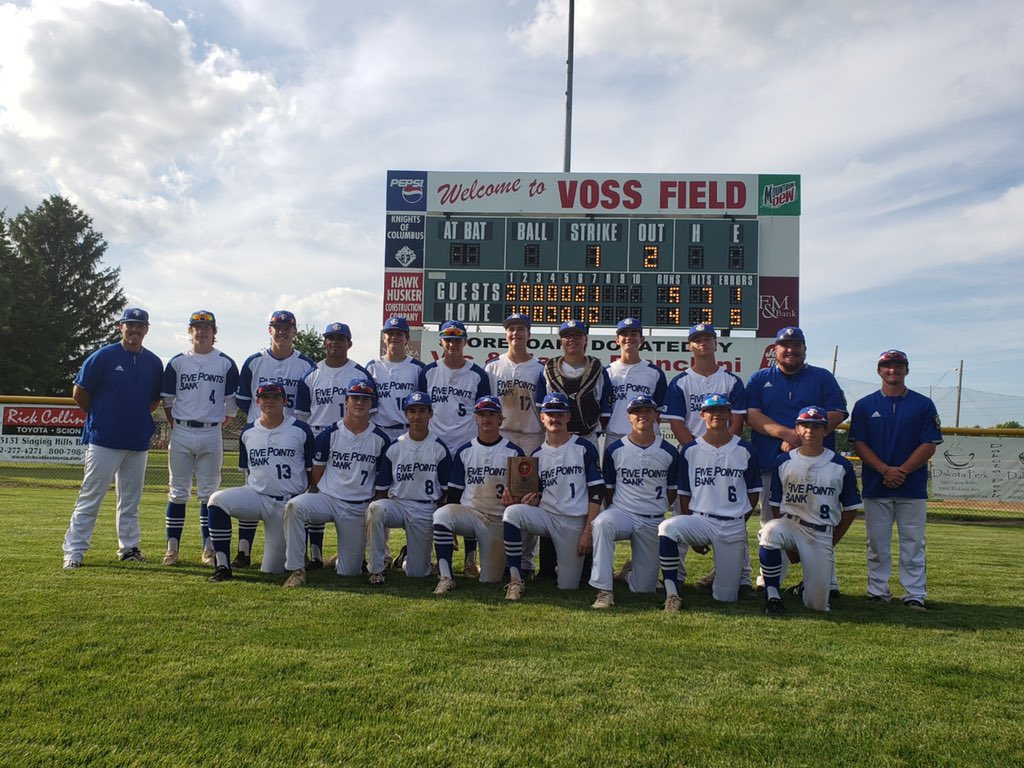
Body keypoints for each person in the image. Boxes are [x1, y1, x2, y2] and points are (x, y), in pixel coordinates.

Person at [745, 326, 847, 593]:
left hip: (817, 464)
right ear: (775, 350)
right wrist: (789, 434)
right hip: (772, 461)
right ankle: (771, 579)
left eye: (796, 345)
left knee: (821, 523)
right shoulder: (759, 378)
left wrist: (802, 438)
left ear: (804, 349)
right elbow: (752, 416)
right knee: (771, 522)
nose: (790, 350)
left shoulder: (822, 377)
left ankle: (828, 581)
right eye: (785, 345)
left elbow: (838, 413)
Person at [62, 307, 163, 569]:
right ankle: (74, 551)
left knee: (130, 500)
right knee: (91, 496)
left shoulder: (153, 362)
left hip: (137, 440)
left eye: (140, 326)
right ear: (121, 327)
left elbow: (153, 401)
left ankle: (129, 548)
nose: (135, 330)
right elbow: (79, 392)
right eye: (130, 325)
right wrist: (102, 416)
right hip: (104, 439)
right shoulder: (104, 356)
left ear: (146, 330)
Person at [850, 349, 942, 610]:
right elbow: (859, 443)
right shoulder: (866, 405)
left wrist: (900, 470)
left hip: (911, 484)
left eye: (898, 365)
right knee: (877, 543)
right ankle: (878, 591)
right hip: (876, 483)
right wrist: (884, 470)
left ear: (906, 370)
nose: (893, 370)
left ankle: (914, 594)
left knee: (913, 542)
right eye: (888, 366)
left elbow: (929, 444)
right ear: (879, 371)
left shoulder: (923, 404)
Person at [663, 323, 748, 591]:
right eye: (697, 339)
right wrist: (696, 451)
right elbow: (677, 423)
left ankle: (742, 576)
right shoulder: (680, 381)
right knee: (683, 510)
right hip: (691, 454)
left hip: (728, 455)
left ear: (715, 343)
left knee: (735, 511)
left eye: (707, 338)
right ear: (690, 346)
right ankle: (676, 572)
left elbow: (737, 420)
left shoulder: (731, 380)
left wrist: (724, 448)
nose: (702, 343)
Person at [281, 379, 390, 587]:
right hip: (327, 499)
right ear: (346, 402)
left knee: (348, 572)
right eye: (355, 398)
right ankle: (297, 569)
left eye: (365, 399)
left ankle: (342, 558)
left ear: (371, 404)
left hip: (357, 505)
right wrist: (332, 490)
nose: (360, 403)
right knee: (295, 506)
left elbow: (380, 481)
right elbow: (317, 474)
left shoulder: (380, 438)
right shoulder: (329, 433)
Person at [658, 394, 761, 612]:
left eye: (722, 410)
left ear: (729, 415)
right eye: (711, 411)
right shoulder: (690, 450)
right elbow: (684, 494)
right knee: (668, 528)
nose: (717, 415)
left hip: (732, 524)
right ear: (703, 415)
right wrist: (692, 531)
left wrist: (741, 520)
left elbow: (753, 494)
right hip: (700, 519)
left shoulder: (746, 449)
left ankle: (722, 576)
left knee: (726, 598)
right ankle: (672, 591)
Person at [758, 406, 863, 616]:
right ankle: (772, 595)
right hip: (790, 523)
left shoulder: (840, 465)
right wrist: (788, 546)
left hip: (821, 533)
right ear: (797, 429)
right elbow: (776, 505)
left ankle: (804, 589)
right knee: (770, 532)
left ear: (826, 431)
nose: (810, 431)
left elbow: (850, 510)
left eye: (816, 426)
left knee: (817, 605)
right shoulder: (784, 460)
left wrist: (831, 541)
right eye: (804, 426)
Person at [205, 383, 315, 582]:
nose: (270, 401)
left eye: (275, 397)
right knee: (216, 501)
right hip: (257, 496)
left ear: (285, 401)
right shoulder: (248, 431)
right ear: (257, 402)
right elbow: (247, 470)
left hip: (287, 503)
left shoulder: (301, 429)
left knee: (271, 570)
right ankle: (222, 566)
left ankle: (300, 555)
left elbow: (311, 471)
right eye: (265, 397)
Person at [233, 309, 316, 568]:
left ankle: (306, 552)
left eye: (287, 328)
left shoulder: (305, 365)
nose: (282, 332)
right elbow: (243, 401)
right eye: (277, 327)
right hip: (258, 436)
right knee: (253, 489)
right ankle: (244, 550)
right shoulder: (254, 361)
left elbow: (306, 406)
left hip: (291, 436)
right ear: (269, 330)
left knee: (298, 493)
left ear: (295, 332)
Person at [501, 393, 604, 600]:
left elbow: (596, 492)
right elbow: (536, 493)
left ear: (568, 417)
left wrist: (588, 531)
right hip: (547, 518)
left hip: (574, 522)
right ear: (542, 418)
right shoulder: (537, 455)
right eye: (550, 414)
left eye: (560, 413)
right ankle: (515, 579)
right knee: (512, 513)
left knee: (568, 587)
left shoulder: (584, 447)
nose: (554, 418)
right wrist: (526, 500)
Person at [159, 310, 239, 566]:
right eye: (196, 327)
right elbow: (168, 402)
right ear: (189, 331)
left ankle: (209, 549)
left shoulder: (225, 362)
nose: (201, 331)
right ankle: (172, 549)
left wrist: (213, 424)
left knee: (209, 494)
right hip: (181, 430)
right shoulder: (177, 362)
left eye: (207, 328)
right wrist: (179, 425)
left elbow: (230, 407)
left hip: (210, 431)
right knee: (177, 492)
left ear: (214, 333)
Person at [589, 395, 679, 609]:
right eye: (637, 411)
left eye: (648, 411)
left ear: (656, 416)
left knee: (643, 589)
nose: (642, 415)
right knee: (603, 523)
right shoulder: (614, 449)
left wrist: (656, 507)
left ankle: (628, 573)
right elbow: (609, 489)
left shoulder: (669, 451)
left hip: (652, 518)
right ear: (629, 417)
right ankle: (604, 590)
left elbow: (672, 492)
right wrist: (620, 506)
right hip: (623, 513)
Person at [294, 321, 372, 567]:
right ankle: (314, 553)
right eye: (330, 338)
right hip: (317, 436)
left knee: (349, 494)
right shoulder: (310, 374)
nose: (335, 342)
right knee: (313, 492)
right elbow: (303, 417)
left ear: (349, 343)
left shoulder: (360, 373)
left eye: (340, 338)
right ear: (324, 342)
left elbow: (370, 410)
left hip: (350, 440)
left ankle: (355, 551)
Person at [431, 396, 524, 594]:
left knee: (490, 580)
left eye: (491, 414)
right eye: (482, 414)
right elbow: (455, 491)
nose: (486, 419)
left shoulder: (514, 452)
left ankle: (514, 577)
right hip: (470, 515)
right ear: (476, 418)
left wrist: (514, 500)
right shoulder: (465, 451)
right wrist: (453, 528)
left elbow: (522, 494)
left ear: (501, 419)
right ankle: (446, 577)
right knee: (442, 514)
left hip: (497, 519)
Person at [423, 319, 491, 576]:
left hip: (466, 445)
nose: (452, 343)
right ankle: (433, 556)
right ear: (440, 341)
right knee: (434, 500)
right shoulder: (428, 371)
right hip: (436, 445)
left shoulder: (477, 374)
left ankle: (470, 559)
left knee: (470, 501)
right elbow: (420, 409)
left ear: (465, 342)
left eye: (457, 339)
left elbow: (483, 410)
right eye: (448, 339)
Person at [365, 391, 452, 584]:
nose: (417, 416)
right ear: (406, 414)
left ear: (430, 414)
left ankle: (405, 558)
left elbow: (446, 492)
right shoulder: (395, 446)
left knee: (417, 573)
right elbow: (381, 490)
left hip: (425, 508)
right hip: (398, 505)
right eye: (412, 411)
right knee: (375, 509)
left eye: (422, 411)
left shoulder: (439, 448)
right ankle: (377, 569)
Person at [485, 312, 547, 576]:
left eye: (521, 329)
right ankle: (500, 558)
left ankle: (526, 561)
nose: (515, 333)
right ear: (505, 334)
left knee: (528, 498)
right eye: (511, 329)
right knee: (500, 497)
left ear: (528, 334)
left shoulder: (540, 368)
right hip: (504, 434)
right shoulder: (492, 367)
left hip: (532, 435)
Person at [543, 319, 611, 451]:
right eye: (567, 336)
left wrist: (592, 431)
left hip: (588, 436)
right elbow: (541, 406)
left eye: (577, 335)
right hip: (556, 436)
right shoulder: (548, 369)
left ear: (586, 339)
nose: (572, 339)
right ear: (560, 341)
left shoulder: (598, 370)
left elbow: (605, 410)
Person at [604, 318, 666, 446]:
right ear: (617, 340)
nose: (629, 337)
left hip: (647, 437)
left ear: (642, 340)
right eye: (624, 334)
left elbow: (659, 411)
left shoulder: (654, 372)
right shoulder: (607, 372)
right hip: (615, 437)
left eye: (633, 334)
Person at [366, 316, 428, 443]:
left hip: (408, 431)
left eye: (399, 334)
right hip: (379, 430)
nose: (394, 337)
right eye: (390, 333)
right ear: (384, 338)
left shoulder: (418, 368)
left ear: (407, 338)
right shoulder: (372, 367)